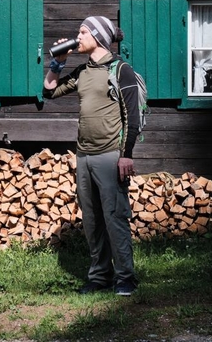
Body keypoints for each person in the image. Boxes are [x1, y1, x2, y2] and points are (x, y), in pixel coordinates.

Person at [43, 16, 140, 296]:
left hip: (110, 156)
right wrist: (58, 62)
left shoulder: (121, 70)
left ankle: (126, 277)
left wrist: (127, 155)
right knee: (92, 220)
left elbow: (132, 116)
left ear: (98, 36)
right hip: (83, 156)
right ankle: (99, 276)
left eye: (83, 31)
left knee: (115, 217)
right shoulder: (82, 72)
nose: (78, 36)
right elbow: (48, 92)